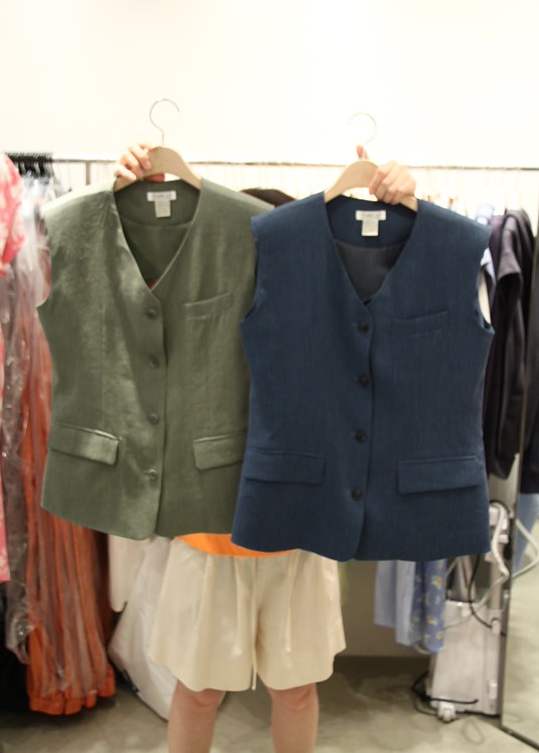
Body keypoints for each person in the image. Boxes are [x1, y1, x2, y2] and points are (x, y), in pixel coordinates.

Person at [113, 143, 417, 753]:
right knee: (198, 690)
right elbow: (130, 301)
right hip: (209, 534)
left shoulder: (334, 311)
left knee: (296, 691)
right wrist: (128, 204)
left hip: (298, 534)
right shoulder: (193, 308)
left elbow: (403, 310)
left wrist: (404, 210)